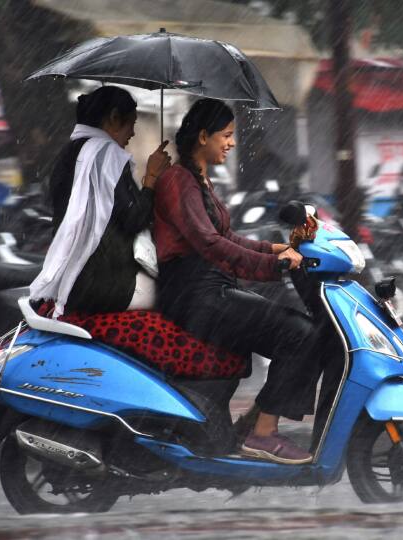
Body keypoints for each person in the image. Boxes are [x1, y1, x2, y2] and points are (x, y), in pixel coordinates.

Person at [154, 98, 321, 465]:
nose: (231, 143)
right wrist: (273, 265)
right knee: (301, 334)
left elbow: (228, 238)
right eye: (226, 136)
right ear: (202, 136)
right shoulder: (177, 180)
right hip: (194, 295)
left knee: (305, 331)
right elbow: (210, 244)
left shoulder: (196, 181)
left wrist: (277, 246)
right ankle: (262, 434)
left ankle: (251, 425)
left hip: (211, 288)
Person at [30, 85, 170, 316]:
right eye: (131, 123)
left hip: (73, 281)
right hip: (105, 284)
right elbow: (135, 219)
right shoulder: (107, 156)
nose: (133, 133)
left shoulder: (68, 154)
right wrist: (152, 177)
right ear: (114, 118)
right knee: (172, 294)